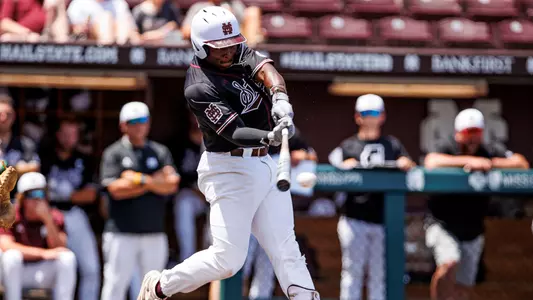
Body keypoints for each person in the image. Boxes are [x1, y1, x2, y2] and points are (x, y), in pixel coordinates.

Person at [137, 6, 319, 300]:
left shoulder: (238, 50)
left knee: (286, 249)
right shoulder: (199, 86)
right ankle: (161, 286)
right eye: (219, 48)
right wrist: (270, 135)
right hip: (229, 169)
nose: (228, 52)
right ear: (200, 46)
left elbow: (266, 70)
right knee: (228, 260)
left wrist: (280, 96)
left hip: (264, 163)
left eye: (232, 45)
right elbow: (234, 133)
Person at [423, 108, 529, 300]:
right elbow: (431, 162)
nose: (471, 139)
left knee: (464, 285)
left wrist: (489, 162)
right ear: (458, 134)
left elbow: (521, 163)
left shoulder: (488, 151)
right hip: (442, 224)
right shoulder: (447, 147)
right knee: (449, 262)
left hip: (472, 229)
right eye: (467, 134)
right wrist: (468, 161)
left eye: (476, 133)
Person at [328, 94, 416, 300]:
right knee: (352, 272)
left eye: (374, 113)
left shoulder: (392, 144)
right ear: (357, 117)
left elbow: (408, 163)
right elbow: (331, 167)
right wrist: (344, 166)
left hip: (382, 221)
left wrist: (404, 163)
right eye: (365, 114)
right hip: (353, 218)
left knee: (379, 274)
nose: (370, 118)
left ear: (382, 116)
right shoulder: (347, 145)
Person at [100, 101, 180, 300]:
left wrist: (139, 179)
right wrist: (155, 182)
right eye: (133, 122)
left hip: (154, 231)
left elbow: (172, 184)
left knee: (155, 287)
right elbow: (115, 190)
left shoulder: (160, 151)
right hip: (121, 232)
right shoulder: (113, 153)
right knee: (115, 284)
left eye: (143, 121)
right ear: (123, 125)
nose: (139, 126)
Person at [39, 116, 100, 300]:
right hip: (48, 215)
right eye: (64, 134)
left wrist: (61, 194)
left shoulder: (85, 160)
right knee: (56, 267)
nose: (68, 138)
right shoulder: (45, 158)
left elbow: (90, 195)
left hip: (75, 215)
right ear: (57, 135)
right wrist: (67, 195)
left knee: (91, 269)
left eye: (72, 134)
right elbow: (35, 192)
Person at [0, 172, 77, 300]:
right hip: (15, 272)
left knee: (68, 258)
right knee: (11, 257)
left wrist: (47, 220)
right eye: (32, 194)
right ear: (22, 198)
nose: (37, 199)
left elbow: (60, 247)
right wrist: (42, 253)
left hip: (42, 272)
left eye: (41, 194)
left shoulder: (54, 216)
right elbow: (6, 245)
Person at [172, 110, 207, 263]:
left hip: (217, 196)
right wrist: (199, 192)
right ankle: (187, 260)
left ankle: (212, 271)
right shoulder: (179, 143)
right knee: (183, 203)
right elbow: (177, 179)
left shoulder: (220, 141)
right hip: (194, 195)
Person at [181, 0, 263, 47]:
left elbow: (247, 26)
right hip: (207, 46)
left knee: (253, 11)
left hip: (232, 45)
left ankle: (249, 55)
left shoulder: (233, 5)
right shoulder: (199, 7)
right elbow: (186, 32)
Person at [0, 94, 40, 176]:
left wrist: (7, 168)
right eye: (0, 114)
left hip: (18, 187)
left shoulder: (25, 144)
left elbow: (35, 167)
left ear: (14, 116)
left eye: (8, 114)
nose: (3, 118)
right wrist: (19, 168)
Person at [67, 0, 139, 44]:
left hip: (119, 37)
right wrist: (81, 28)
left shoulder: (119, 3)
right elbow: (72, 29)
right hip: (91, 41)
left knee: (121, 22)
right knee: (106, 18)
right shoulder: (79, 2)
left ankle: (120, 51)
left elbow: (132, 30)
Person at [0, 0, 69, 42]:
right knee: (6, 38)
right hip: (24, 35)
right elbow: (4, 23)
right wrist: (27, 33)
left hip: (47, 33)